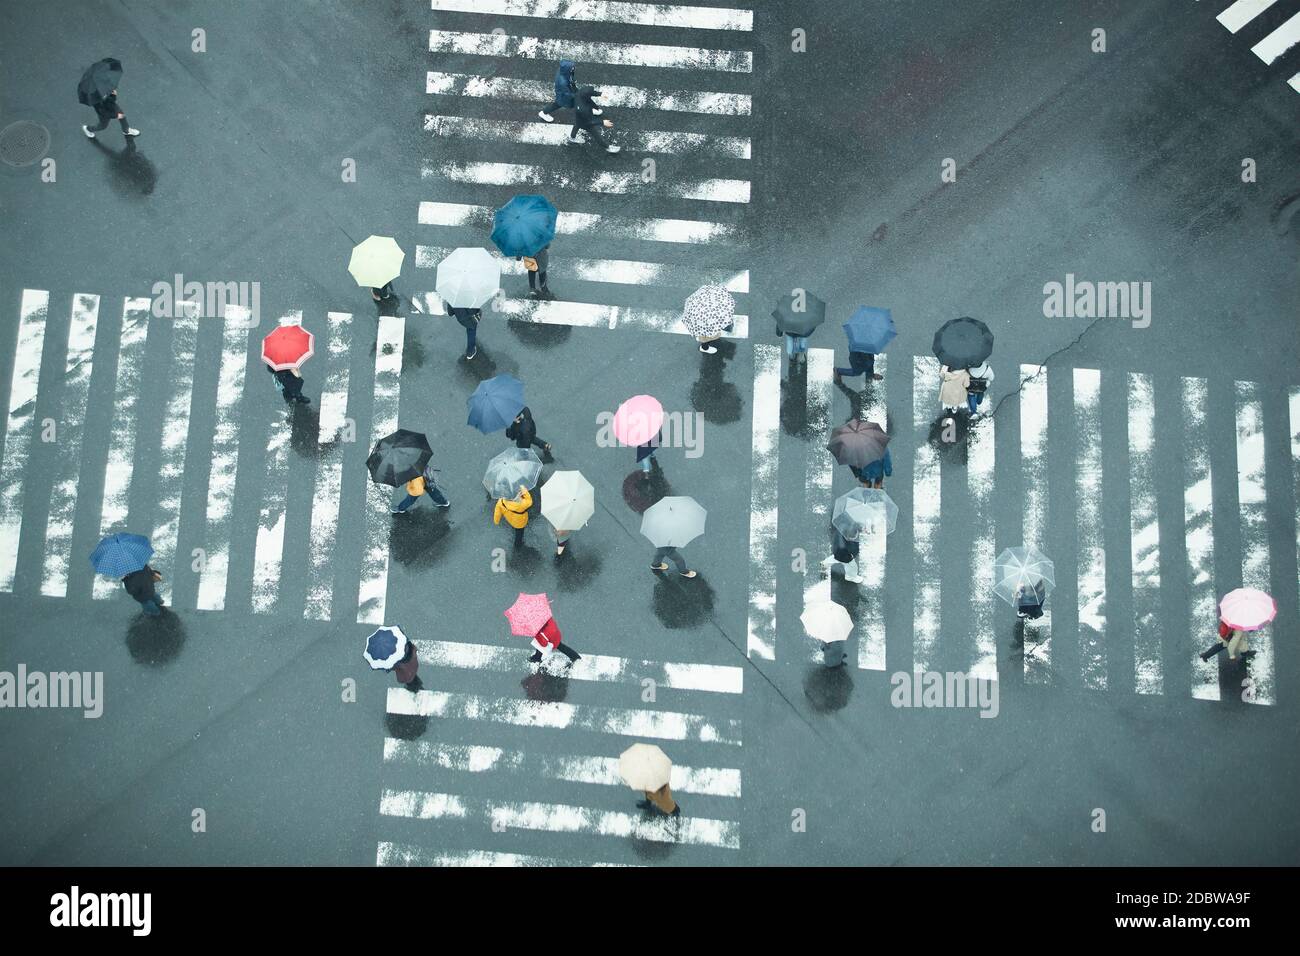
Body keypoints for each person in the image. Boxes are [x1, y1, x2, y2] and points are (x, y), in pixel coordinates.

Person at [566, 86, 621, 154]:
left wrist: (600, 94)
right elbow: (589, 122)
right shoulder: (583, 109)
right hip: (585, 121)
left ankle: (572, 138)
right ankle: (608, 147)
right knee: (595, 134)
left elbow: (591, 93)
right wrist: (602, 122)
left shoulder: (581, 93)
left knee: (577, 125)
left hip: (579, 117)